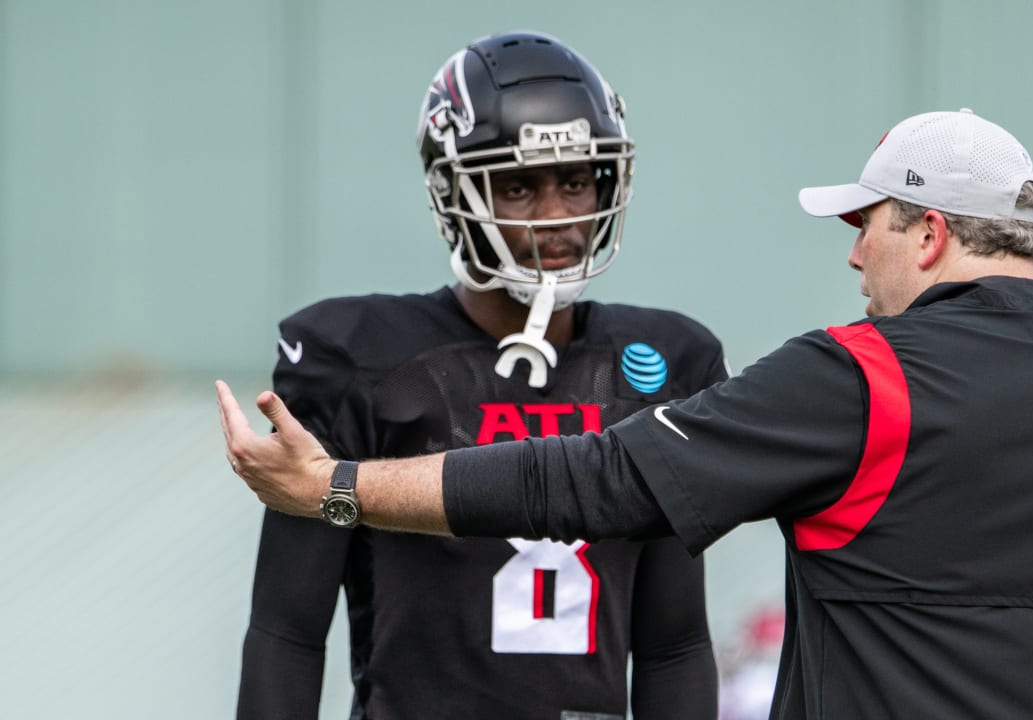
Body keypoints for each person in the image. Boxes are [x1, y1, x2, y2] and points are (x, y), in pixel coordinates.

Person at [220, 108, 1033, 719]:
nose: (852, 250)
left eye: (867, 224)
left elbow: (595, 480)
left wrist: (338, 488)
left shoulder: (862, 377)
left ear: (929, 236)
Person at [234, 30, 725, 720]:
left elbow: (673, 644)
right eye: (520, 185)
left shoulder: (667, 362)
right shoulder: (359, 359)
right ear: (451, 188)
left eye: (576, 179)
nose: (559, 216)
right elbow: (287, 632)